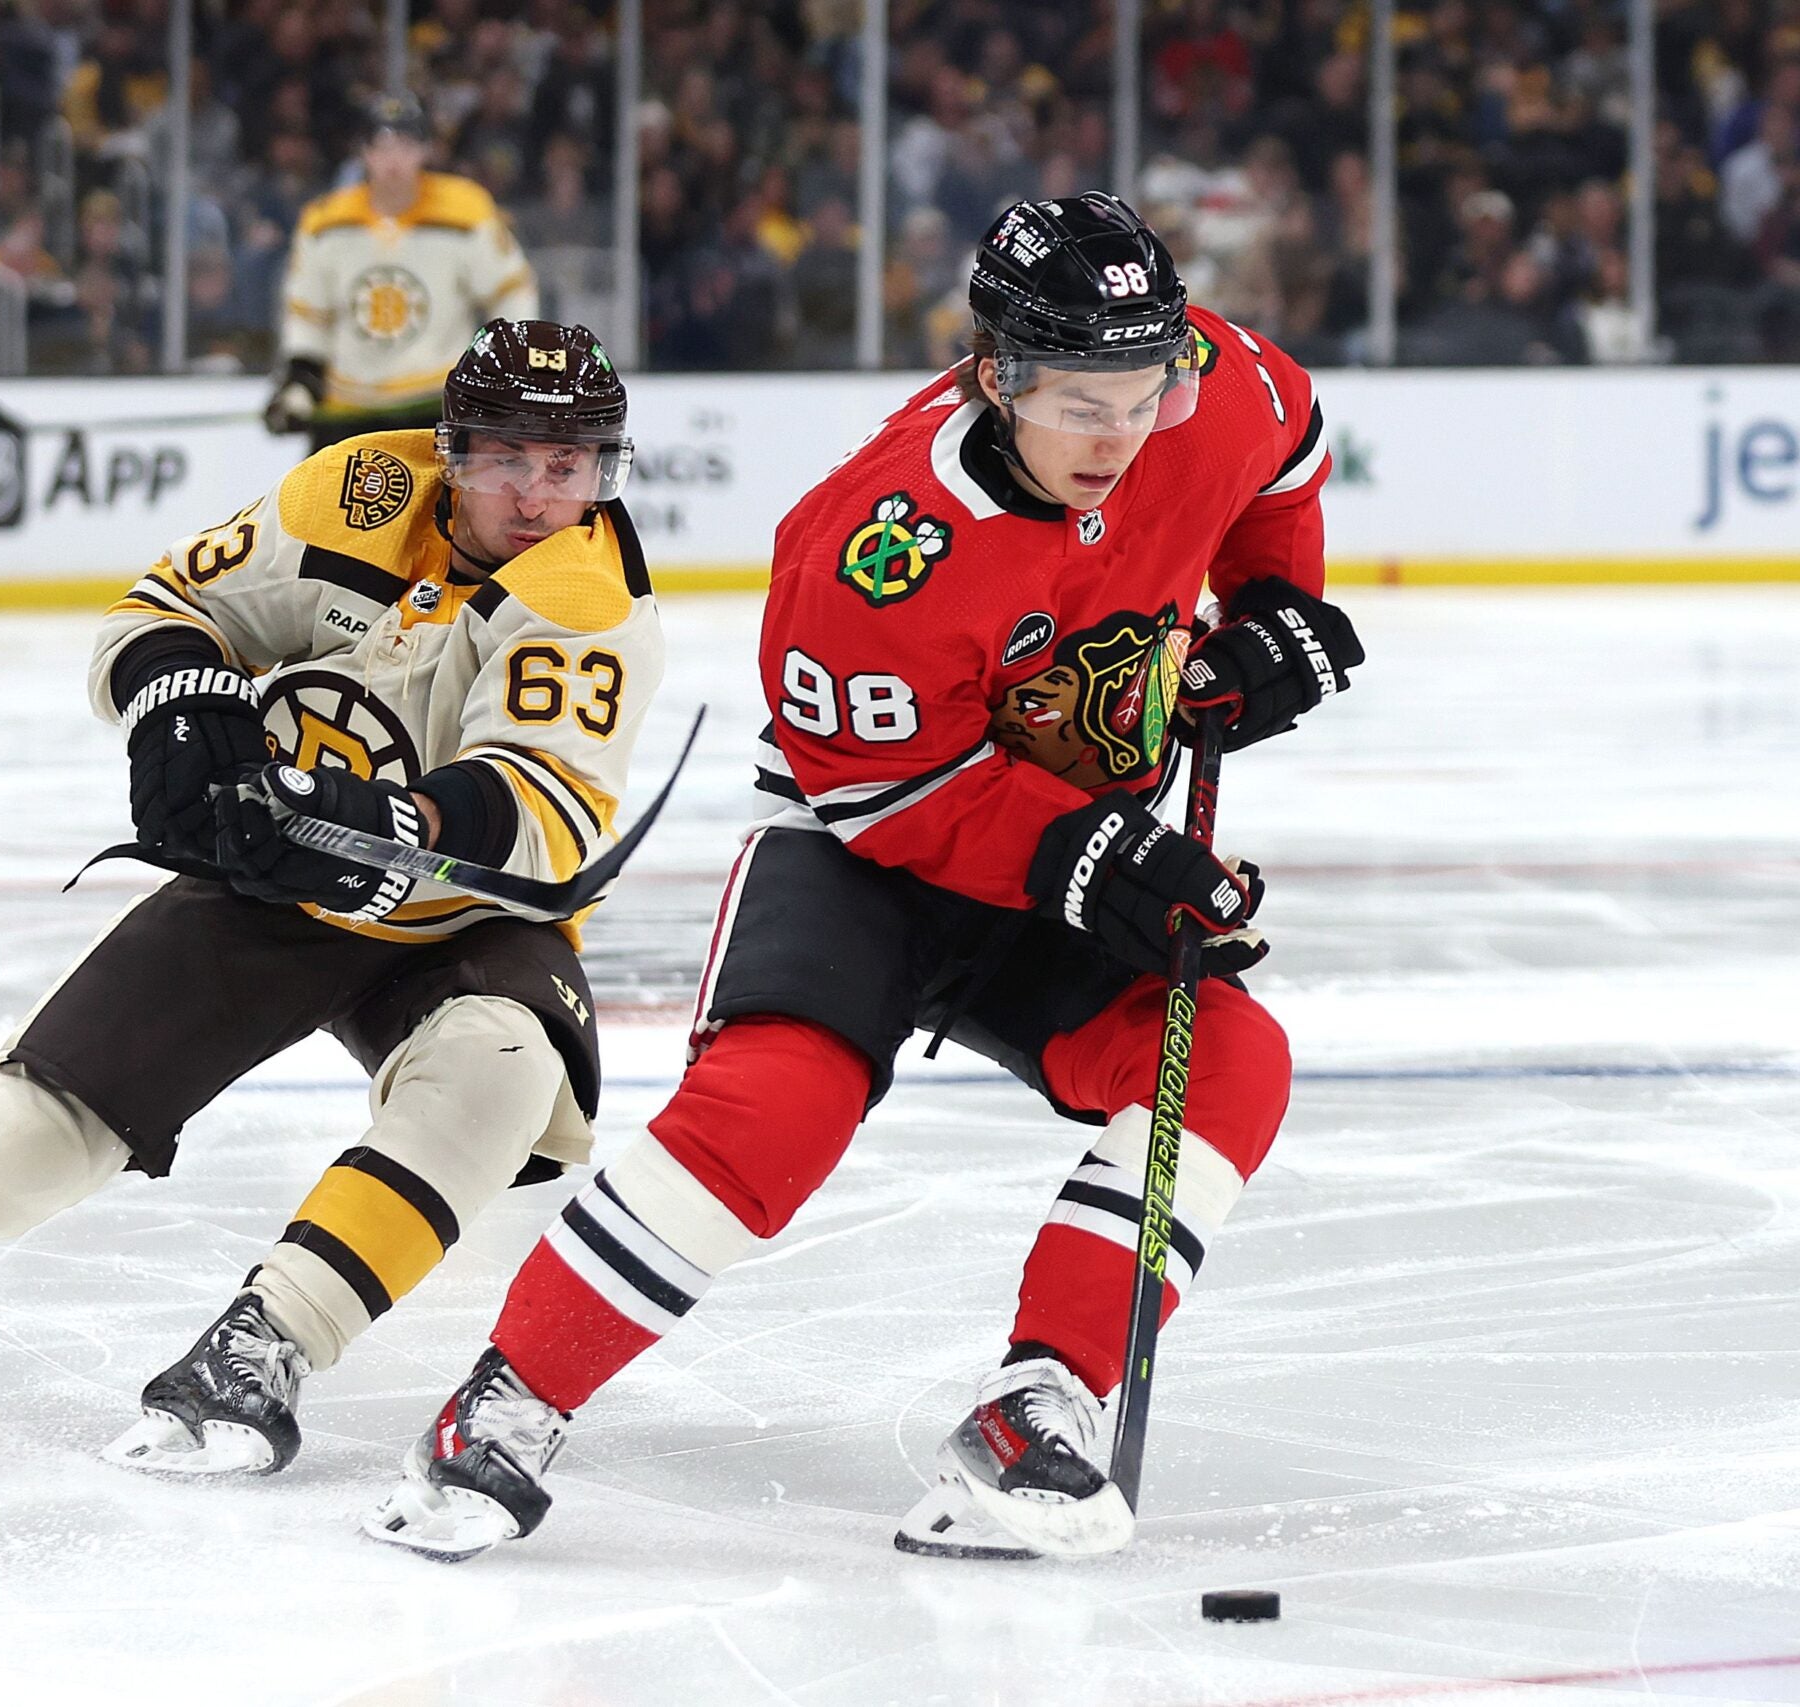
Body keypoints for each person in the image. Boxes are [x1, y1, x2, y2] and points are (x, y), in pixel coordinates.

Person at [364, 194, 1365, 1564]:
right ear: (994, 369)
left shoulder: (1212, 391)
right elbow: (884, 791)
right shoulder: (873, 539)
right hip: (865, 844)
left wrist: (1266, 615)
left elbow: (1289, 443)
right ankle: (505, 1399)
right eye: (1078, 402)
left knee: (1231, 1059)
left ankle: (1037, 1398)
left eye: (1142, 395)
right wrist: (1084, 852)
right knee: (778, 1104)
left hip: (1071, 834)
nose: (1119, 438)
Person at [0, 321, 665, 1481]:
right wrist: (178, 701)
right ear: (452, 451)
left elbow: (543, 807)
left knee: (501, 1064)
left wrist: (388, 823)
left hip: (461, 915)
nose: (539, 495)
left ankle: (271, 1342)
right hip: (280, 870)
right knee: (52, 1100)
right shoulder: (354, 491)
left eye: (570, 466)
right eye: (508, 457)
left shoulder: (588, 596)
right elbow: (165, 608)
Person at [266, 94, 539, 452]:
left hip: (438, 405)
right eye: (382, 145)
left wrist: (506, 366)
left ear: (425, 150)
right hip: (350, 407)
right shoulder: (324, 224)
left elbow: (511, 291)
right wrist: (300, 381)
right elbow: (308, 315)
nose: (393, 158)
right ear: (363, 152)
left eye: (406, 145)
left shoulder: (465, 211)